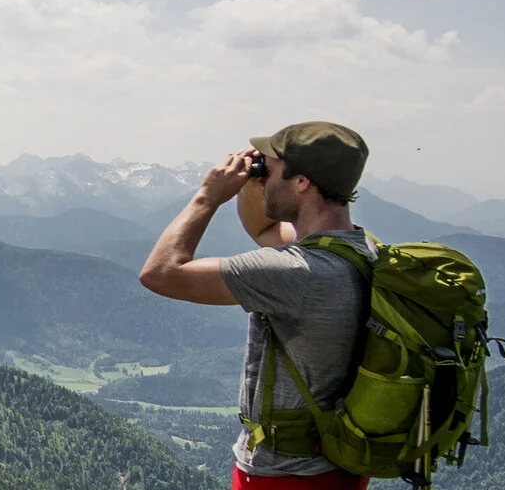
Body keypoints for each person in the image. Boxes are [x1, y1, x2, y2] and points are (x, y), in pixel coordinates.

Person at [137, 121, 376, 490]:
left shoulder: (297, 272)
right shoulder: (361, 250)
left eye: (271, 169)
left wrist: (207, 196)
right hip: (338, 466)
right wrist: (253, 186)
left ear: (302, 182)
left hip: (287, 476)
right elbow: (265, 232)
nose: (262, 176)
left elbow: (161, 274)